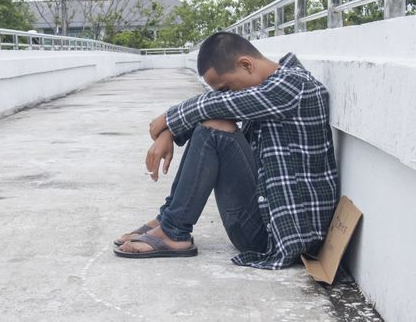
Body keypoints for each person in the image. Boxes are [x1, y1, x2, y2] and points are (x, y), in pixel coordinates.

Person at [113, 32, 339, 269]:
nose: (226, 94)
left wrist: (168, 120)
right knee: (211, 124)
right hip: (262, 221)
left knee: (214, 127)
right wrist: (170, 131)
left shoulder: (294, 86)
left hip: (283, 235)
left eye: (227, 87)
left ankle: (173, 231)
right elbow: (217, 105)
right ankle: (168, 220)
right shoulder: (269, 89)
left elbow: (216, 105)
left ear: (246, 65)